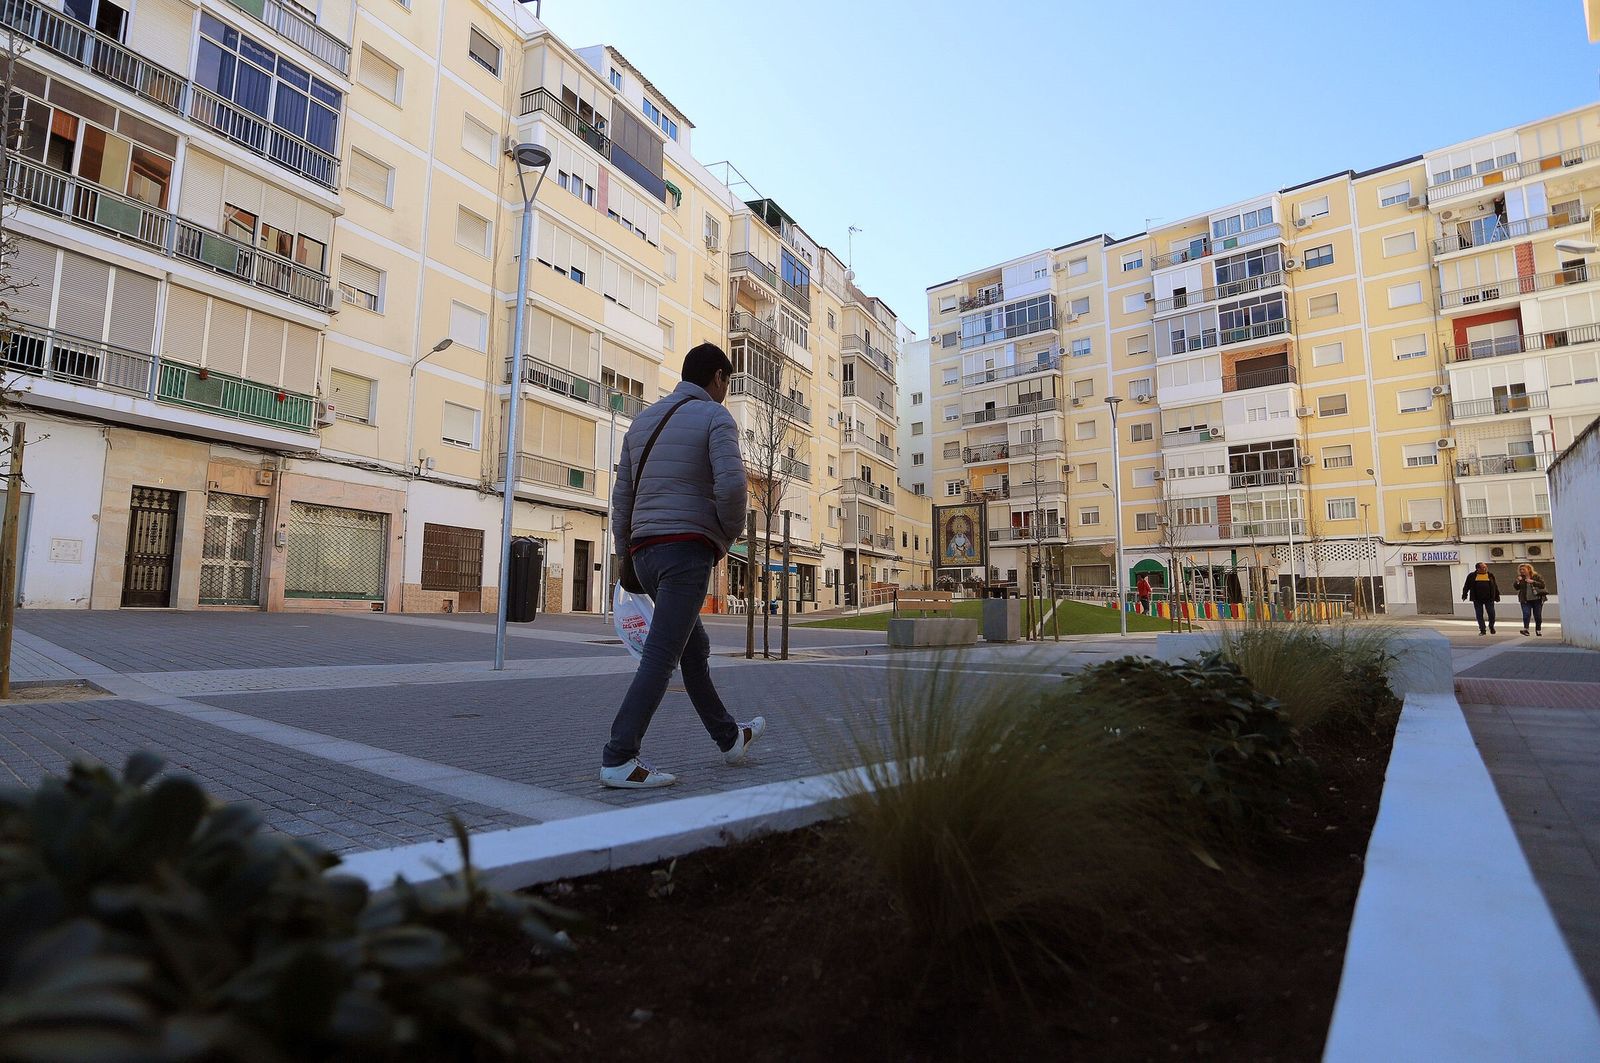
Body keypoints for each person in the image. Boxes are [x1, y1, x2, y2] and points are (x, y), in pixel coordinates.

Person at [601, 343, 764, 789]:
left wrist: (624, 553)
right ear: (718, 378)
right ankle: (619, 757)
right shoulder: (716, 417)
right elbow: (732, 487)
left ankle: (729, 738)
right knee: (662, 655)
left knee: (694, 648)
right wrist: (724, 537)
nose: (726, 390)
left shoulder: (642, 422)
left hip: (645, 553)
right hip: (685, 551)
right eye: (727, 382)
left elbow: (622, 500)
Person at [1461, 562, 1501, 635]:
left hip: (1489, 599)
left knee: (1492, 614)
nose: (1485, 568)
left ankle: (1491, 626)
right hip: (1477, 599)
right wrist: (1464, 595)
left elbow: (1495, 586)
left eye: (1486, 567)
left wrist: (1497, 596)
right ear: (1478, 569)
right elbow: (1466, 586)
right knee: (1479, 614)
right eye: (1483, 567)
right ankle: (1482, 630)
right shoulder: (1472, 576)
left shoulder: (1490, 575)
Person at [1514, 563, 1547, 637]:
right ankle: (1526, 629)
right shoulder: (1520, 578)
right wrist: (1517, 581)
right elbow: (1516, 587)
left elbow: (1542, 585)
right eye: (1520, 569)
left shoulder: (1536, 576)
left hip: (1537, 600)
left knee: (1537, 616)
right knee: (1526, 614)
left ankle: (1538, 630)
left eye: (1523, 569)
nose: (1521, 571)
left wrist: (1533, 582)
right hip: (1525, 600)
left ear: (1529, 569)